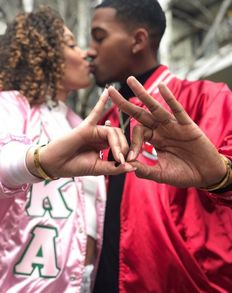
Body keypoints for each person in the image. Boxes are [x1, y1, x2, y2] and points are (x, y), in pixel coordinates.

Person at [88, 0, 232, 292]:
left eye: (100, 36)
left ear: (138, 40)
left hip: (186, 282)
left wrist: (223, 177)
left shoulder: (206, 98)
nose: (90, 50)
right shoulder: (101, 121)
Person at [0, 6, 135, 293]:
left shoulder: (78, 124)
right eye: (71, 44)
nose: (86, 52)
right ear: (45, 52)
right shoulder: (10, 106)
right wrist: (39, 161)